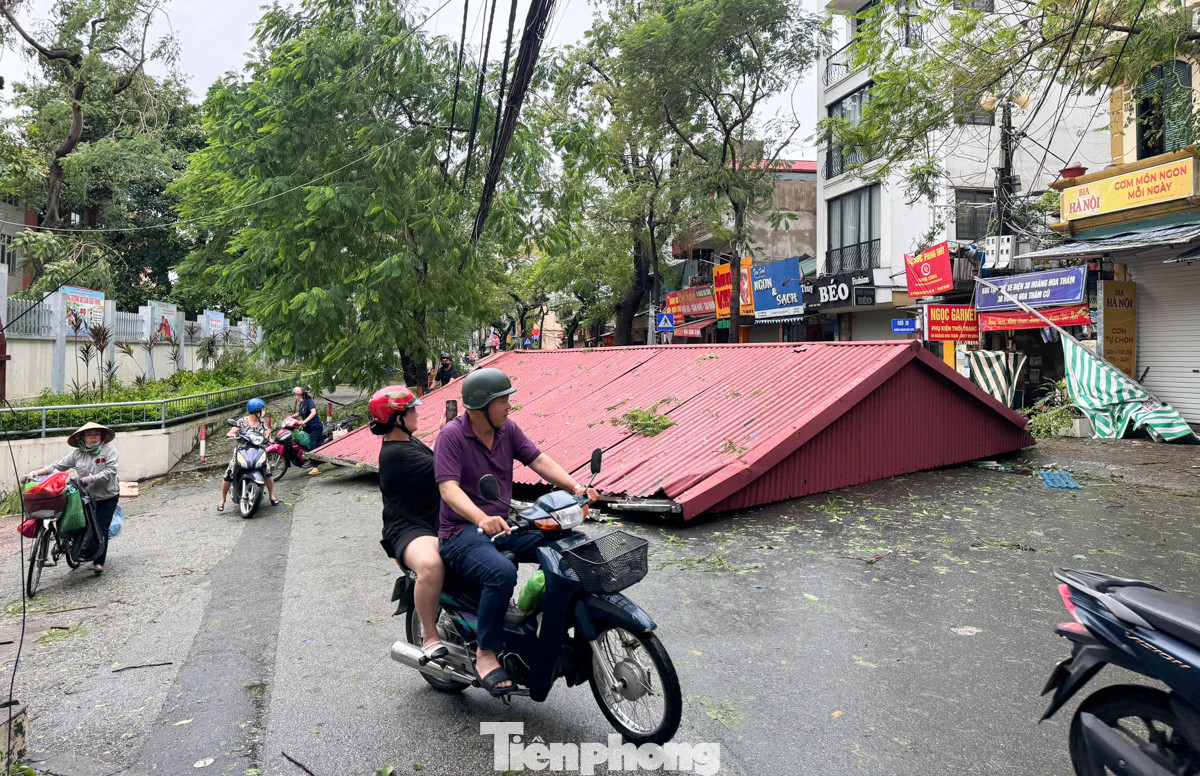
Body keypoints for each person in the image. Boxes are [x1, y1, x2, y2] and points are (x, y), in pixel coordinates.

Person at [434, 368, 598, 696]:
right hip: (460, 532)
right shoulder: (451, 436)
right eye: (503, 400)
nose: (509, 405)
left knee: (566, 544)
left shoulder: (507, 429)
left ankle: (547, 625)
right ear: (482, 406)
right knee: (501, 573)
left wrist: (576, 486)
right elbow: (449, 489)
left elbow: (537, 460)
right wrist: (481, 517)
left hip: (503, 525)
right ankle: (486, 653)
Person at [370, 385, 449, 661]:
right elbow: (444, 467)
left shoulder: (407, 441)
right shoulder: (396, 454)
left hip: (435, 518)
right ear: (396, 418)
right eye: (410, 409)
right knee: (432, 564)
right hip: (409, 528)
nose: (416, 413)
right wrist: (451, 434)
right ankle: (429, 635)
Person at [28, 421, 120, 574]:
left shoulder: (109, 450)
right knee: (83, 525)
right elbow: (57, 466)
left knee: (101, 527)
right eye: (89, 435)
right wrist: (36, 473)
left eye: (96, 434)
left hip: (107, 496)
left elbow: (111, 471)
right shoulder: (78, 454)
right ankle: (82, 550)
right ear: (82, 438)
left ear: (102, 436)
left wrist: (91, 479)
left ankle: (98, 561)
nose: (93, 437)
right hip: (87, 497)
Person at [219, 398, 280, 511]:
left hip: (258, 450)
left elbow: (267, 434)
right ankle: (222, 499)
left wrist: (270, 439)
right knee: (229, 472)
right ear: (257, 410)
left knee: (268, 471)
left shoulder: (262, 422)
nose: (264, 411)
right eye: (262, 409)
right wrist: (232, 435)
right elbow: (231, 432)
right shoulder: (242, 421)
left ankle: (272, 495)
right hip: (242, 450)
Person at [290, 387, 324, 474]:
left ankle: (316, 467)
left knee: (313, 445)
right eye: (296, 395)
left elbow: (313, 412)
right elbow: (300, 413)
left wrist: (304, 421)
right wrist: (291, 417)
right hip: (307, 427)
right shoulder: (302, 403)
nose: (296, 397)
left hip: (315, 426)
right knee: (303, 443)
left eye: (298, 395)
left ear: (303, 395)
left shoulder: (309, 402)